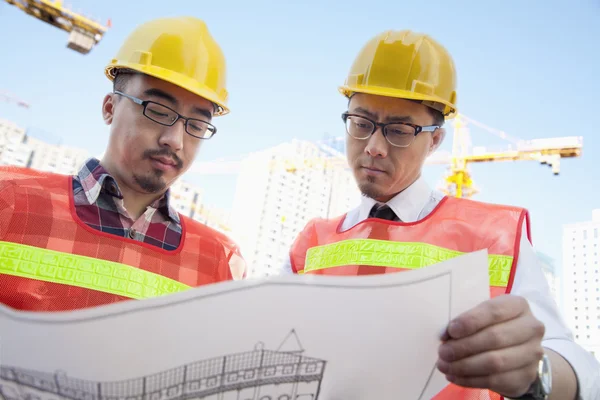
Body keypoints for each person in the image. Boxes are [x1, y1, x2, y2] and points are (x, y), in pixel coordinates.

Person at [281, 30, 600, 399]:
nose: (374, 146)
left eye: (399, 130)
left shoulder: (494, 235)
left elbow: (584, 372)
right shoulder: (310, 243)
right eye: (361, 123)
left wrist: (538, 372)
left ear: (435, 139)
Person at [0, 16, 246, 312]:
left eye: (196, 124)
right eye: (158, 110)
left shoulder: (220, 261)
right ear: (110, 108)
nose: (175, 140)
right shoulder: (8, 200)